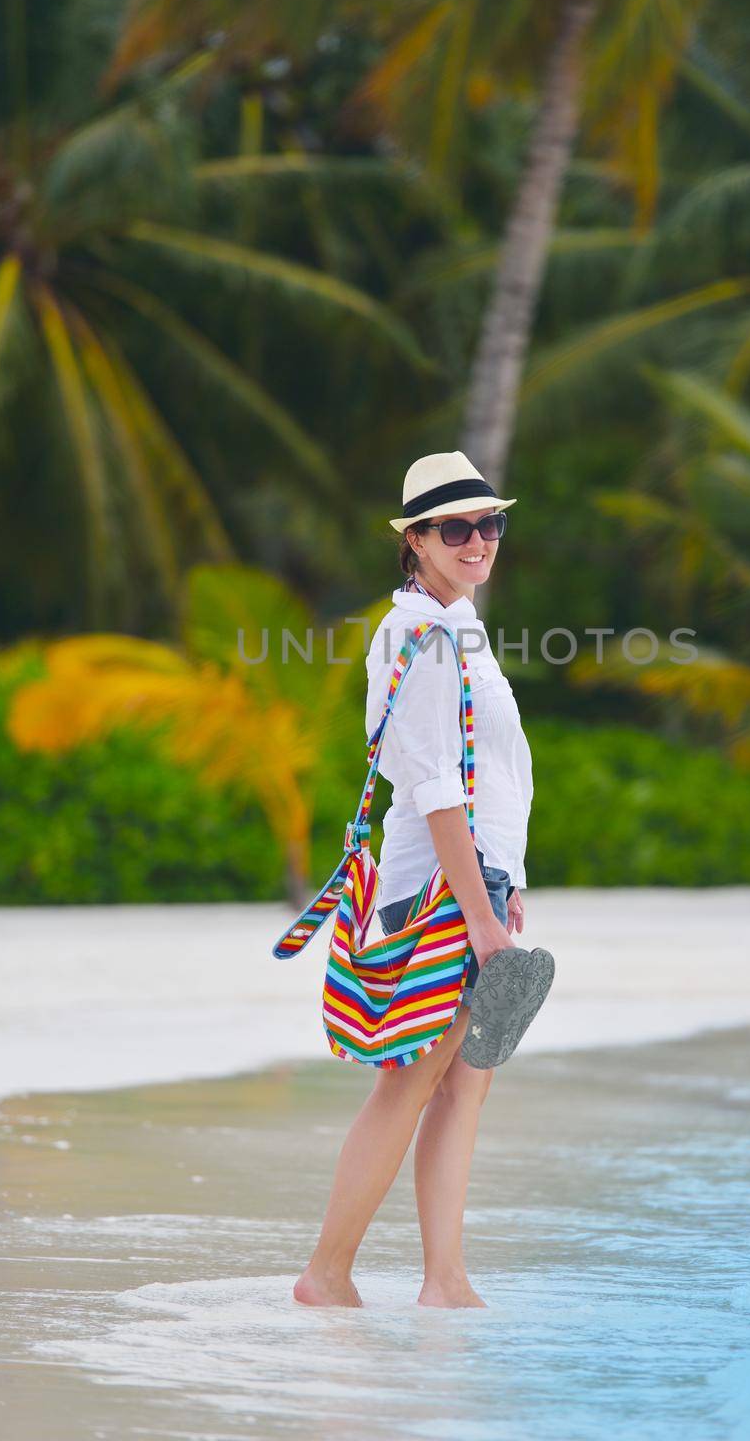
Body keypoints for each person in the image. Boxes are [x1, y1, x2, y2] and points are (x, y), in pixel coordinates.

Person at [293, 450, 534, 1311]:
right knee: (414, 1077)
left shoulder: (455, 624)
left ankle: (445, 1278)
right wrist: (480, 917)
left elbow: (491, 779)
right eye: (458, 528)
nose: (479, 541)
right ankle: (326, 1275)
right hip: (441, 889)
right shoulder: (420, 633)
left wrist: (507, 887)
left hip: (475, 883)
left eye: (490, 524)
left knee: (462, 1082)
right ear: (417, 542)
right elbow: (434, 789)